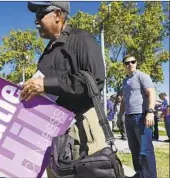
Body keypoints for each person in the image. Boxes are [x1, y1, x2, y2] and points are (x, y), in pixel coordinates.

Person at [23, 1, 106, 177]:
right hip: (53, 131)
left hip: (80, 128)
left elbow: (94, 81)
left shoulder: (81, 38)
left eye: (40, 14)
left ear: (58, 15)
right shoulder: (46, 53)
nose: (36, 21)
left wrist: (47, 84)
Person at [120, 54, 157, 178]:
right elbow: (124, 100)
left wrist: (150, 112)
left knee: (145, 150)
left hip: (141, 116)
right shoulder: (125, 80)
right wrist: (120, 115)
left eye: (132, 62)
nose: (130, 64)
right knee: (134, 149)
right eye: (127, 63)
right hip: (129, 117)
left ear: (136, 63)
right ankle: (140, 174)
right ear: (124, 66)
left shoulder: (142, 76)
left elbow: (151, 92)